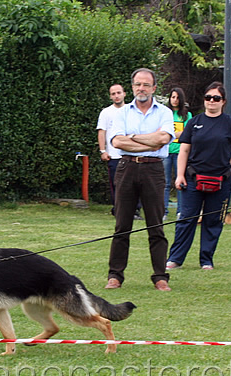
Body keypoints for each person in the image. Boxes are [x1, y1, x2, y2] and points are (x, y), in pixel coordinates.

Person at [166, 82, 231, 270]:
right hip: (193, 179)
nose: (212, 102)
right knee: (186, 218)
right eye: (208, 98)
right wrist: (179, 176)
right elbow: (184, 150)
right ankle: (175, 259)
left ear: (223, 102)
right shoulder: (194, 122)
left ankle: (206, 260)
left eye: (216, 98)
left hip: (221, 181)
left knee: (213, 220)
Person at [106, 68, 174, 291]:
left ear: (154, 88)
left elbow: (163, 139)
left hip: (153, 170)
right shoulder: (122, 113)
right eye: (137, 84)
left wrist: (132, 137)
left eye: (146, 85)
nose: (141, 88)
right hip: (126, 168)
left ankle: (160, 276)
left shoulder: (164, 112)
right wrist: (149, 141)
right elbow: (117, 142)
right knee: (122, 225)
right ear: (132, 87)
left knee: (156, 225)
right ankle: (115, 276)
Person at [97, 84, 126, 216]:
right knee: (116, 184)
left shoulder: (131, 110)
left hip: (130, 154)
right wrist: (103, 151)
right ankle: (117, 209)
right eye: (113, 94)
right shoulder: (106, 112)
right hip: (113, 156)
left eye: (118, 93)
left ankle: (135, 210)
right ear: (110, 96)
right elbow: (102, 132)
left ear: (124, 93)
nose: (116, 96)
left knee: (133, 184)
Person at [163, 88, 192, 220]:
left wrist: (170, 135)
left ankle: (181, 211)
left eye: (177, 97)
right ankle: (163, 211)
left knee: (180, 181)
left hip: (180, 152)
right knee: (165, 183)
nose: (175, 100)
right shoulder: (164, 114)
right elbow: (161, 132)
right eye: (172, 97)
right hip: (166, 152)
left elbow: (186, 133)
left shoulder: (187, 115)